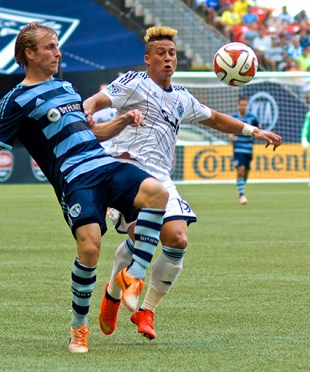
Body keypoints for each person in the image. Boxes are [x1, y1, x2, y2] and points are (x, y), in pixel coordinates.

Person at [0, 22, 170, 354]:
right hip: (75, 180)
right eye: (50, 47)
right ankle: (79, 328)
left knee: (158, 195)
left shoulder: (68, 88)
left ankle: (132, 276)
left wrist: (123, 120)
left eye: (57, 46)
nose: (58, 52)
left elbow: (93, 134)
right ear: (29, 53)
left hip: (103, 164)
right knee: (89, 250)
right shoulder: (17, 99)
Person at [83, 25, 281, 341]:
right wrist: (88, 111)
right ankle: (113, 291)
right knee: (141, 237)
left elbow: (214, 118)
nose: (168, 59)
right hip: (126, 173)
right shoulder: (133, 82)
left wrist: (252, 131)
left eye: (172, 53)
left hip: (161, 179)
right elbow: (98, 99)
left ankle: (145, 310)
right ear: (147, 59)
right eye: (160, 53)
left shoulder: (182, 98)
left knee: (177, 239)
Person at [229, 96, 261, 205]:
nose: (243, 107)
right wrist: (231, 136)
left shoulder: (252, 117)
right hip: (238, 148)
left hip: (249, 148)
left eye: (245, 105)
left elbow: (258, 129)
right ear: (238, 106)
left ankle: (241, 186)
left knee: (246, 172)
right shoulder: (234, 117)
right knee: (241, 170)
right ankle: (242, 195)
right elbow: (227, 128)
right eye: (241, 105)